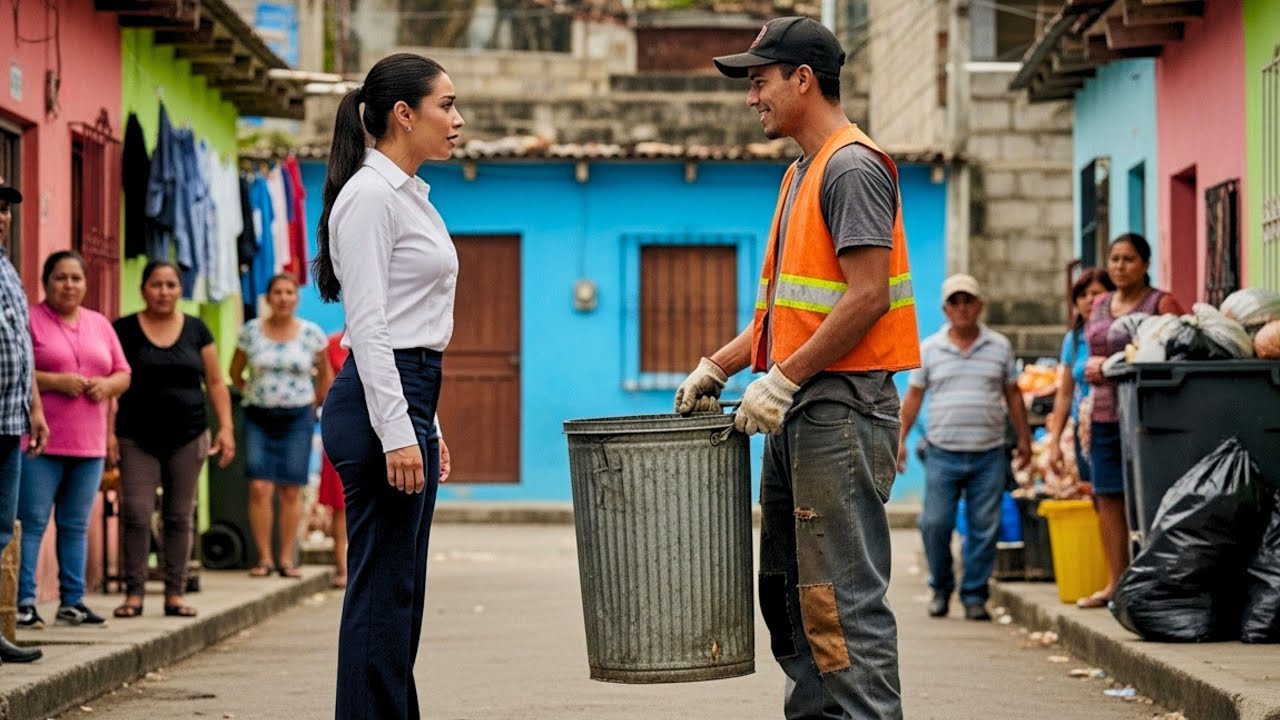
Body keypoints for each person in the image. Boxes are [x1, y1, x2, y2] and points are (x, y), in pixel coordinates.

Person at [675, 18, 919, 719]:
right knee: (792, 596)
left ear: (802, 79)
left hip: (840, 414)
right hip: (806, 414)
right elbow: (786, 317)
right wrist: (718, 368)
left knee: (837, 602)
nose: (752, 97)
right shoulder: (801, 174)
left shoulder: (850, 165)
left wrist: (781, 380)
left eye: (759, 80)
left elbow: (867, 296)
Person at [313, 53, 459, 720]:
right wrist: (399, 430)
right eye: (446, 105)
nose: (457, 120)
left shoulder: (406, 195)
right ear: (405, 114)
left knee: (398, 595)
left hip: (406, 393)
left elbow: (411, 324)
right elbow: (368, 326)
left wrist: (427, 425)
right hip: (380, 400)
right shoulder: (371, 197)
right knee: (381, 593)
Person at [897, 274, 1032, 622]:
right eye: (955, 302)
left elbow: (1013, 395)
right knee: (935, 524)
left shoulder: (999, 346)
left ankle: (974, 595)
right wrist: (899, 440)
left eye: (968, 301)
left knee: (984, 528)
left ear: (979, 306)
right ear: (945, 309)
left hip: (989, 452)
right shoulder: (929, 349)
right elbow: (913, 398)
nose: (962, 308)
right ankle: (941, 589)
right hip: (942, 452)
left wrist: (1025, 441)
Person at [111, 260, 235, 619]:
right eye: (156, 285)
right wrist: (108, 434)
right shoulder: (124, 330)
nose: (163, 292)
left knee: (179, 516)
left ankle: (174, 594)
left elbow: (215, 381)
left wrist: (226, 428)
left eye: (171, 285)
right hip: (135, 434)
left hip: (188, 433)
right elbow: (111, 380)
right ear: (143, 289)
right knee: (136, 511)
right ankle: (133, 593)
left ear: (181, 290)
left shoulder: (197, 330)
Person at [17, 251, 131, 629]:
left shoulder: (99, 324)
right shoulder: (31, 320)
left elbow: (123, 372)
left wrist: (106, 385)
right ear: (46, 282)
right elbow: (20, 368)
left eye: (76, 278)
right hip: (40, 441)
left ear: (85, 283)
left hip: (90, 443)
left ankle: (73, 600)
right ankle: (23, 602)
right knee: (32, 522)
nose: (69, 285)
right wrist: (55, 381)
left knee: (75, 524)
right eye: (60, 278)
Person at [1078, 233, 1183, 609]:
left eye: (1129, 259)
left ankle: (1154, 581)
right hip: (1106, 414)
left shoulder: (1161, 303)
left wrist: (1115, 367)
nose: (1120, 266)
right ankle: (1115, 584)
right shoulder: (1101, 303)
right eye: (1115, 259)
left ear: (1145, 264)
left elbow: (1179, 351)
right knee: (1107, 496)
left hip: (1148, 414)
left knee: (1149, 495)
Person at [229, 273, 331, 579]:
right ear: (268, 298)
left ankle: (287, 558)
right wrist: (251, 391)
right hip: (259, 415)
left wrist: (312, 403)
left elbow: (325, 376)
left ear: (296, 299)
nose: (284, 298)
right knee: (260, 486)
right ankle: (264, 559)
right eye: (278, 292)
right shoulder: (251, 332)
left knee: (290, 488)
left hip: (298, 417)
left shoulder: (311, 334)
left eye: (289, 292)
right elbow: (235, 371)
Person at [0, 178, 46, 664]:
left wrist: (34, 408)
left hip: (10, 420)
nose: (0, 217)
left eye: (5, 209)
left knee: (0, 529)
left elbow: (21, 348)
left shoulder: (8, 269)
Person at [1045, 268, 1114, 487]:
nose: (1089, 300)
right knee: (1092, 491)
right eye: (1082, 296)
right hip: (1085, 429)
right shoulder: (1073, 339)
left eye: (1095, 293)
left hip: (1115, 425)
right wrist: (1054, 441)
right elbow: (1064, 393)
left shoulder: (1118, 332)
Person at [317, 330, 349, 588]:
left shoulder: (387, 338)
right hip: (342, 423)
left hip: (380, 428)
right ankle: (343, 566)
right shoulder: (331, 344)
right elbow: (326, 391)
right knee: (341, 504)